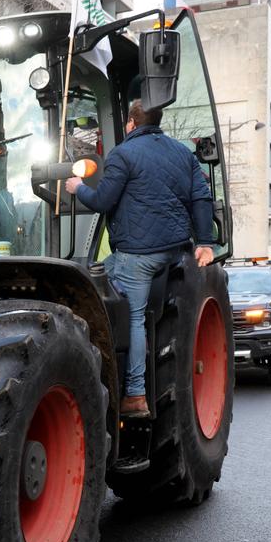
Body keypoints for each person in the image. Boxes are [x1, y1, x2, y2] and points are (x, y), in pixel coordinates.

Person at [65, 99, 214, 419]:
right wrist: (205, 242)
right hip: (174, 250)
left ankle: (134, 393)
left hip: (139, 254)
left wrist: (78, 188)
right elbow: (202, 198)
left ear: (130, 123)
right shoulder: (181, 153)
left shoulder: (123, 154)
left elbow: (103, 200)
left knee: (131, 317)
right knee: (97, 274)